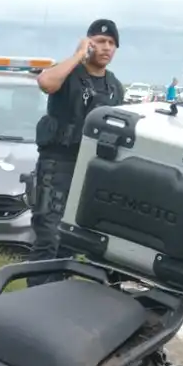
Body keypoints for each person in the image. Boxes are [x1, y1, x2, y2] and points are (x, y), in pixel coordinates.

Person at [28, 19, 125, 284]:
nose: (106, 47)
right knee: (49, 237)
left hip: (91, 169)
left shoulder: (114, 87)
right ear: (88, 43)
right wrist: (78, 55)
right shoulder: (68, 73)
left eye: (112, 43)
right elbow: (46, 82)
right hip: (57, 164)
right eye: (100, 41)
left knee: (70, 240)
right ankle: (34, 302)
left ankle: (55, 295)